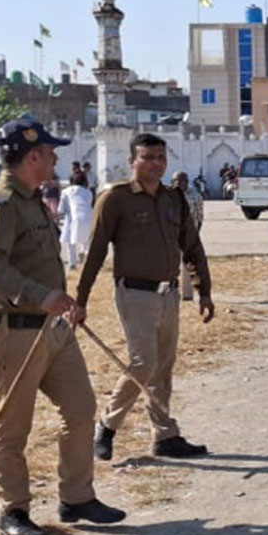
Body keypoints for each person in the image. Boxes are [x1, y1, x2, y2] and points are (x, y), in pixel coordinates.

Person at [0, 119, 124, 535]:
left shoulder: (33, 200)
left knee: (80, 410)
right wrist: (41, 296)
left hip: (53, 329)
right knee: (12, 428)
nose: (56, 158)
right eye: (51, 152)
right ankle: (13, 510)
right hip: (14, 331)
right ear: (33, 156)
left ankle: (76, 498)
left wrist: (61, 302)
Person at [78, 132, 216, 463]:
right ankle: (107, 425)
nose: (156, 164)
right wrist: (80, 300)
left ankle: (164, 435)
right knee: (143, 363)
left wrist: (204, 290)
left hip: (168, 294)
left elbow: (192, 246)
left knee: (163, 368)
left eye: (161, 158)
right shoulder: (116, 199)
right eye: (148, 158)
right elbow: (95, 251)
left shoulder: (173, 199)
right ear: (132, 162)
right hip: (134, 294)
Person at [173, 170, 205, 301]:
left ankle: (187, 294)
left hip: (189, 234)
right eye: (176, 181)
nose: (179, 184)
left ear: (186, 182)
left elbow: (200, 215)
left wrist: (196, 233)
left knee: (188, 264)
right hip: (173, 233)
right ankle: (172, 292)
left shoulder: (195, 196)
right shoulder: (169, 196)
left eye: (182, 181)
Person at [58, 174, 94, 269]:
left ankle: (72, 263)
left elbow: (61, 209)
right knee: (86, 239)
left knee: (70, 240)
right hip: (89, 215)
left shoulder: (66, 191)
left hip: (73, 216)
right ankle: (85, 254)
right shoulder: (88, 192)